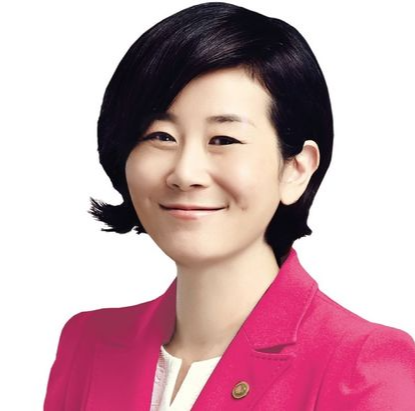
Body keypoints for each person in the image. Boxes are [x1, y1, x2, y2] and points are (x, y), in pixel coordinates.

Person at [44, 2, 415, 410]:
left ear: (296, 168)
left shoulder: (363, 366)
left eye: (223, 140)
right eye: (160, 136)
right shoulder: (88, 342)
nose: (185, 173)